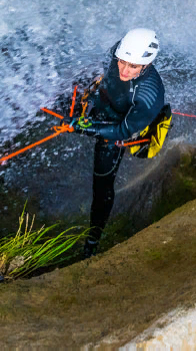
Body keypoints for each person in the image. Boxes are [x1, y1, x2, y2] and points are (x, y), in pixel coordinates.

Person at [65, 28, 165, 256]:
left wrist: (85, 127)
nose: (124, 70)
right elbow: (105, 69)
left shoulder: (149, 96)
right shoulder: (118, 51)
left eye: (133, 66)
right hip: (104, 102)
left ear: (145, 66)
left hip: (119, 125)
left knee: (101, 184)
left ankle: (92, 240)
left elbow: (122, 130)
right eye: (122, 62)